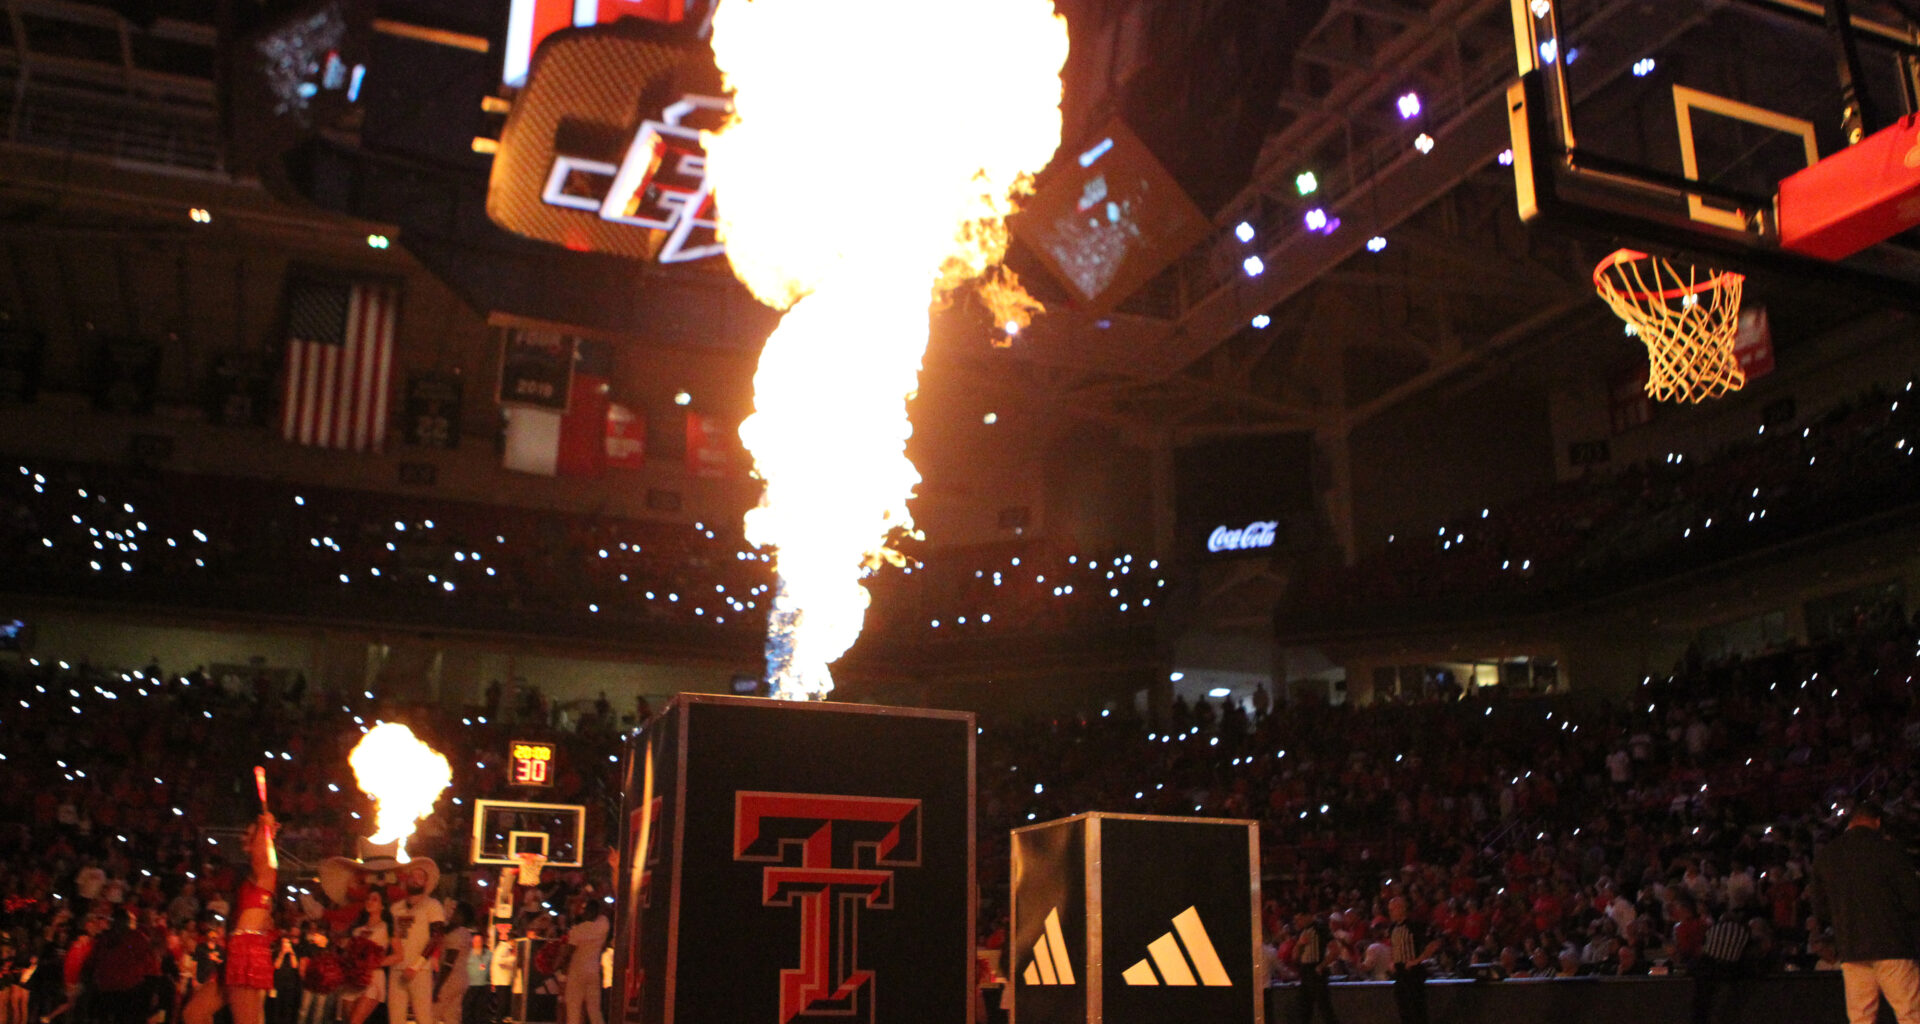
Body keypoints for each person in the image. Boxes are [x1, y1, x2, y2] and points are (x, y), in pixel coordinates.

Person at [1808, 800, 1920, 1024]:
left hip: (1851, 946)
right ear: (1877, 822)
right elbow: (1913, 900)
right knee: (1909, 1013)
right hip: (1892, 944)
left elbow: (1819, 906)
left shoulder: (1828, 855)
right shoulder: (1890, 850)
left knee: (1861, 1017)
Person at [387, 861, 447, 1024]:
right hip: (397, 968)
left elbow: (437, 936)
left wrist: (417, 965)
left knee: (423, 1017)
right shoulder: (395, 908)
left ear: (426, 882)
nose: (415, 879)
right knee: (395, 1018)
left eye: (420, 876)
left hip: (419, 970)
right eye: (412, 876)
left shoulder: (432, 905)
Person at [1386, 898, 1439, 1024]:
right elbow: (1393, 947)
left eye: (1392, 909)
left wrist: (1416, 961)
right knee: (1403, 1009)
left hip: (1413, 973)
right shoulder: (1392, 927)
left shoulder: (1413, 925)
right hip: (1399, 973)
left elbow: (1433, 944)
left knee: (1416, 1009)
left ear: (1401, 909)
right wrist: (1392, 961)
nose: (1390, 913)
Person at [561, 897, 608, 1024]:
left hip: (577, 971)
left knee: (574, 1007)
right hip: (593, 970)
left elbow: (569, 951)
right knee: (594, 1009)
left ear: (586, 912)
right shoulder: (603, 924)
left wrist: (559, 965)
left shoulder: (578, 930)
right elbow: (604, 910)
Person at [1290, 911, 1342, 1024]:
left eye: (1299, 919)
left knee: (1324, 1008)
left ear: (1307, 916)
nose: (1297, 922)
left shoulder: (1320, 928)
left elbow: (1335, 950)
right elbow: (1294, 957)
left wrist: (1321, 966)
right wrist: (1299, 944)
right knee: (1304, 1009)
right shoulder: (1302, 932)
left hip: (1316, 972)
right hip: (1305, 972)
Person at [433, 904, 475, 1024]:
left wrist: (438, 987)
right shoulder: (465, 933)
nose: (452, 915)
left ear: (462, 917)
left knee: (433, 1012)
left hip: (450, 979)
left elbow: (449, 963)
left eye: (455, 912)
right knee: (451, 1016)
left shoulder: (456, 934)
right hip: (462, 978)